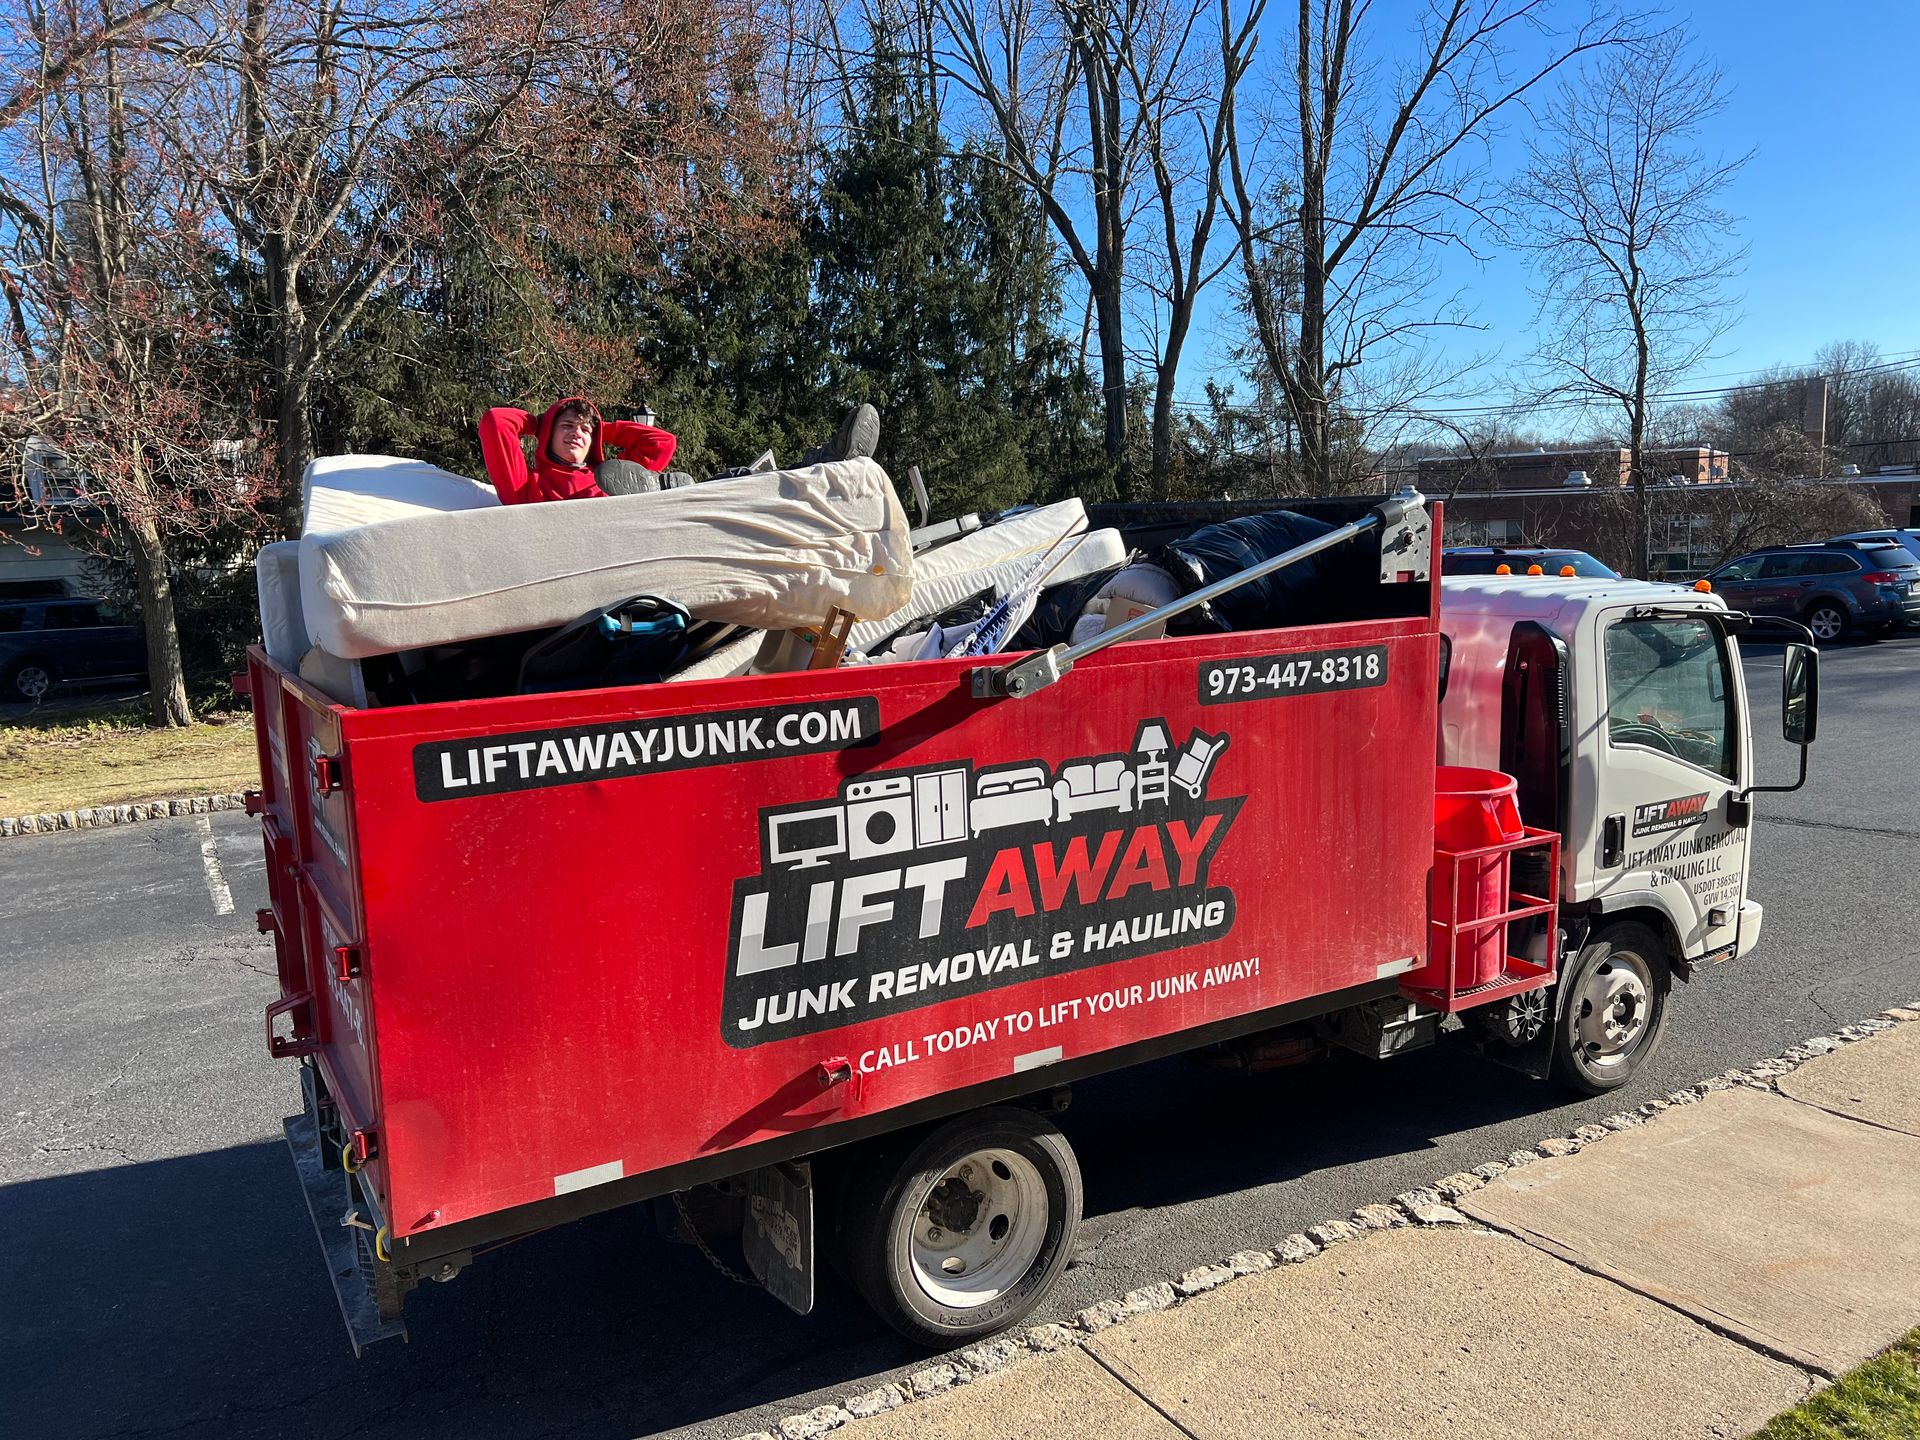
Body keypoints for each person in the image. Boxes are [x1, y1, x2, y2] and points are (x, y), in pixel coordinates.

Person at [477, 397, 677, 506]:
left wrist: (601, 429)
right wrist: (539, 424)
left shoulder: (613, 480)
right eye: (567, 425)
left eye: (585, 429)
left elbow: (661, 443)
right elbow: (496, 421)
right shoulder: (525, 487)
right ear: (548, 433)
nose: (576, 433)